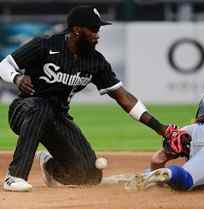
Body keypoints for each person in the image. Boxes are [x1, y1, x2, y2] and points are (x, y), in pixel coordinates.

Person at [0, 5, 173, 192]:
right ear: (76, 30)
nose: (97, 35)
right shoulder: (45, 45)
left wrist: (160, 128)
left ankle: (50, 164)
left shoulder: (95, 61)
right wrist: (16, 78)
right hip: (25, 110)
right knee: (41, 106)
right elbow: (4, 65)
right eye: (93, 29)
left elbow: (124, 98)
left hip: (58, 117)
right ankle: (14, 176)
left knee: (89, 175)